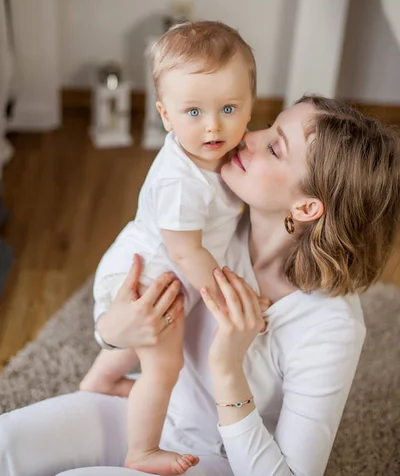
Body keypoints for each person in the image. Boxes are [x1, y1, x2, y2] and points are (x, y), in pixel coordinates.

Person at [1, 95, 399, 476]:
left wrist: (228, 368)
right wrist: (110, 333)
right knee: (6, 443)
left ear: (307, 207)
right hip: (148, 412)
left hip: (217, 459)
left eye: (275, 148)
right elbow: (132, 319)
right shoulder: (205, 232)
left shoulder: (332, 327)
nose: (248, 137)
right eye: (268, 127)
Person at [81, 21, 255, 474]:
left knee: (150, 344)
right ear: (165, 116)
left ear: (251, 107)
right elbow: (185, 253)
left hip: (161, 277)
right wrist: (227, 297)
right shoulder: (181, 180)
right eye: (193, 112)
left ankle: (99, 380)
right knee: (165, 365)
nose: (214, 125)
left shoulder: (220, 152)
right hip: (146, 278)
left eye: (229, 108)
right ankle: (142, 451)